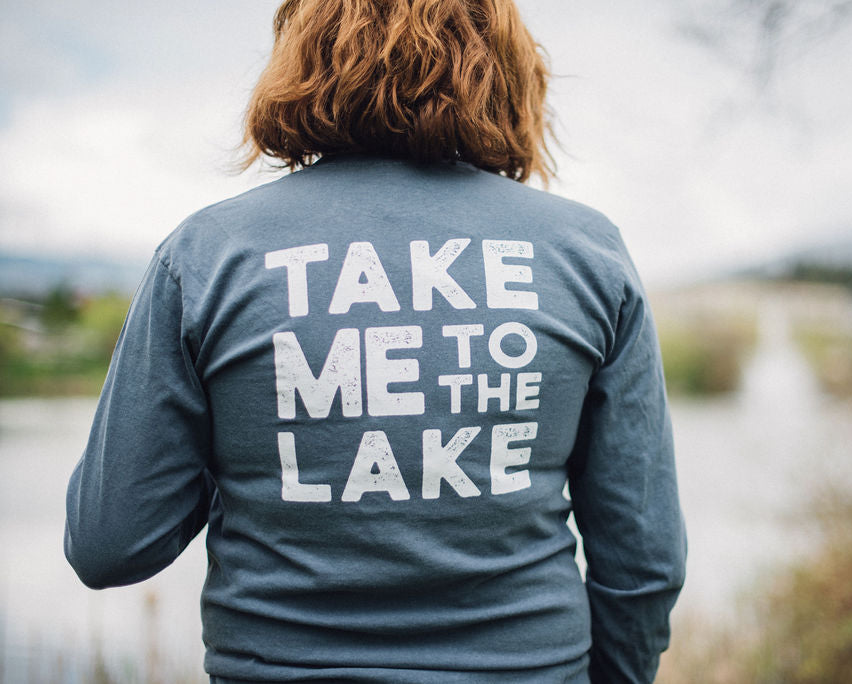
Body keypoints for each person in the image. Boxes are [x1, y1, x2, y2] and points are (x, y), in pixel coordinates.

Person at [64, 0, 686, 682]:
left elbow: (110, 545)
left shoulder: (209, 256)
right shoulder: (586, 254)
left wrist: (241, 451)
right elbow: (644, 562)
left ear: (303, 57)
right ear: (505, 70)